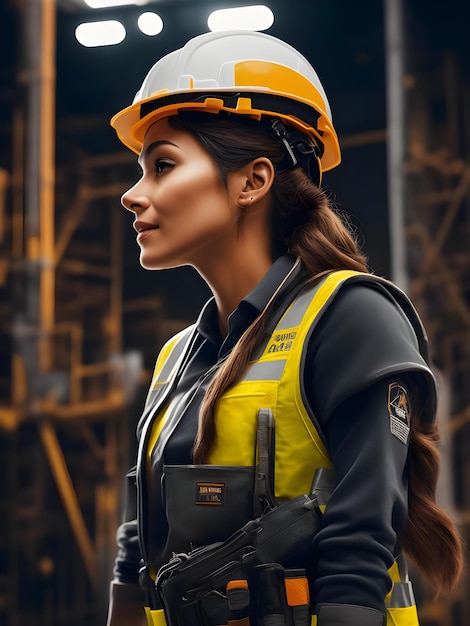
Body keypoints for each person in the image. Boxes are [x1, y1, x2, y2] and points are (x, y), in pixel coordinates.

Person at [106, 30, 463, 626]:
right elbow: (137, 547)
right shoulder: (176, 359)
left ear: (254, 180)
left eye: (162, 166)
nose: (131, 195)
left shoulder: (351, 318)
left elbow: (358, 552)